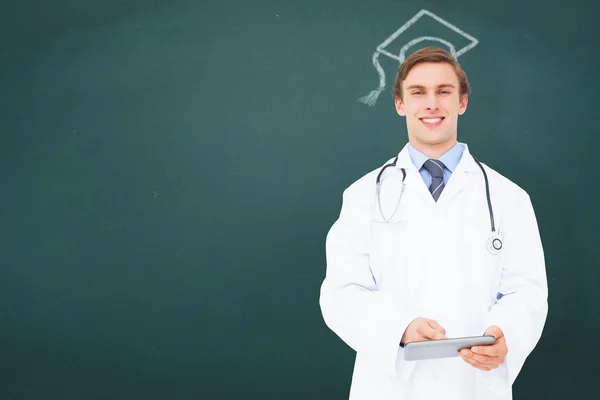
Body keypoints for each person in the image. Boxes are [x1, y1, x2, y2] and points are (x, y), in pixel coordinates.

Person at [319, 46, 548, 400]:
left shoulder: (508, 197)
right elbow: (341, 293)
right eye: (418, 92)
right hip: (391, 387)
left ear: (462, 102)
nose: (431, 104)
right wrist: (400, 328)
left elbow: (527, 291)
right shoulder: (363, 195)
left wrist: (508, 334)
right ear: (399, 104)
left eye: (444, 92)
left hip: (474, 384)